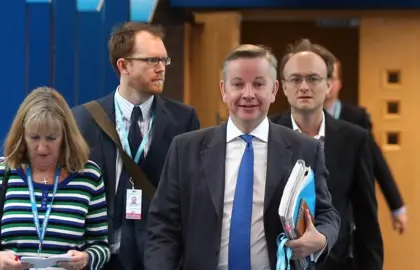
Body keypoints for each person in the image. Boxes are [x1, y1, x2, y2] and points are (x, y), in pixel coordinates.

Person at [144, 44, 340, 270]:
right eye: (238, 84)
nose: (248, 94)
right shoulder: (185, 149)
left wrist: (322, 238)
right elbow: (163, 227)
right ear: (224, 90)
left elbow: (328, 214)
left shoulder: (305, 149)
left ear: (274, 90)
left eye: (258, 84)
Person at [72, 22, 200, 270]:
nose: (161, 68)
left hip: (159, 256)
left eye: (164, 60)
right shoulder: (83, 120)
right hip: (97, 254)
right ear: (123, 65)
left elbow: (191, 191)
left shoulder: (184, 119)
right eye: (152, 60)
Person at [0, 87, 110, 270]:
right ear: (21, 135)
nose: (42, 148)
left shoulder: (88, 176)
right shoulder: (1, 172)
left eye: (51, 138)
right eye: (34, 137)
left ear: (65, 137)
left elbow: (101, 247)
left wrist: (86, 258)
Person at [270, 39, 383, 270]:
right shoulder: (266, 135)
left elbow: (367, 220)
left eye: (313, 79)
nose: (304, 87)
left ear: (329, 85)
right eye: (295, 79)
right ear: (283, 86)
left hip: (336, 263)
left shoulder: (354, 139)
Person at [324, 60, 408, 234]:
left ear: (339, 83)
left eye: (331, 79)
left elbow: (376, 159)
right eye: (321, 78)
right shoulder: (299, 117)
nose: (327, 84)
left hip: (347, 206)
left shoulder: (356, 117)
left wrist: (397, 206)